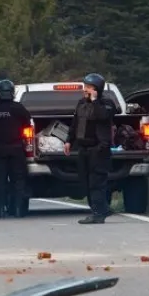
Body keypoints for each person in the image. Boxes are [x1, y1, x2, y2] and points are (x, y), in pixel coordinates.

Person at [64, 73, 117, 224]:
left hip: (99, 149)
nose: (84, 90)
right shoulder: (81, 103)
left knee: (96, 183)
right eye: (84, 87)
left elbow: (103, 116)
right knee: (86, 182)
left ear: (96, 89)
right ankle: (102, 208)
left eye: (88, 87)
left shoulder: (107, 103)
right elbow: (75, 123)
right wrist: (69, 141)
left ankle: (98, 214)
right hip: (83, 149)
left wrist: (94, 101)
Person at [0, 79, 32, 218]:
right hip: (17, 149)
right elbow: (27, 123)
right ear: (12, 92)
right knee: (18, 180)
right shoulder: (19, 108)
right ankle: (17, 210)